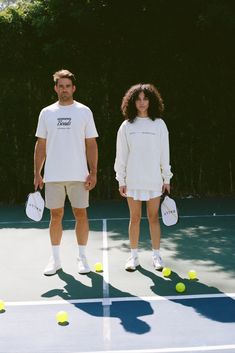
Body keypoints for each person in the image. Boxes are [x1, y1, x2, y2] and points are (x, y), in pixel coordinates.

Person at [34, 69, 98, 276]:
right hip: (53, 176)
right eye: (60, 86)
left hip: (79, 175)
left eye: (67, 86)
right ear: (55, 88)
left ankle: (82, 257)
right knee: (55, 216)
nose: (64, 89)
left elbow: (91, 144)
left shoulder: (84, 111)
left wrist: (93, 171)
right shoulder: (46, 113)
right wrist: (37, 172)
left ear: (73, 88)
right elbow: (40, 145)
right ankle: (55, 259)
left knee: (81, 214)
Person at [114, 83, 173, 271]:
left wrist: (167, 178)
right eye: (138, 99)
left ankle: (156, 256)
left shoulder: (159, 124)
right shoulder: (126, 126)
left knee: (154, 218)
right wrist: (121, 180)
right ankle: (133, 257)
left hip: (154, 180)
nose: (141, 102)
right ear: (132, 102)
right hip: (133, 180)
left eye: (145, 98)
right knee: (135, 218)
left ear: (151, 101)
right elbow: (121, 155)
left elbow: (165, 153)